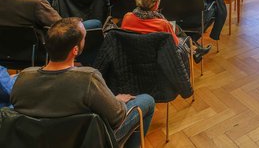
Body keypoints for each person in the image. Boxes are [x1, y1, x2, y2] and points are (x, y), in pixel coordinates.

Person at [10, 18, 155, 148]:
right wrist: (118, 102)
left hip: (36, 141)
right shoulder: (88, 78)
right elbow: (116, 118)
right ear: (75, 50)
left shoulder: (23, 77)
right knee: (147, 101)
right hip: (86, 141)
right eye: (84, 37)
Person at [121, 0, 211, 63]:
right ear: (156, 3)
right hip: (158, 59)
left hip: (133, 57)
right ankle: (195, 51)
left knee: (177, 28)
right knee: (184, 39)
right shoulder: (162, 24)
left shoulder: (127, 17)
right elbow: (176, 45)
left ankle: (196, 51)